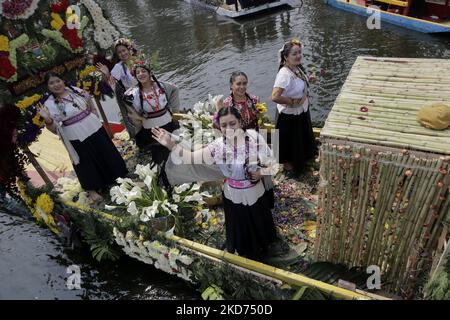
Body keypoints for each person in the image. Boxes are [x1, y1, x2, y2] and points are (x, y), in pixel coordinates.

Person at [152, 106, 278, 260]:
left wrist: (260, 173)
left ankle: (264, 245)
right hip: (233, 194)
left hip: (255, 192)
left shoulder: (254, 138)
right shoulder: (217, 146)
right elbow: (190, 157)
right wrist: (170, 144)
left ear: (240, 121)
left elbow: (273, 165)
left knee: (259, 221)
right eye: (224, 125)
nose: (229, 129)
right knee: (240, 225)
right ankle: (246, 249)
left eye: (232, 123)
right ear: (219, 127)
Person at [38, 72, 128, 202]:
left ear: (63, 80)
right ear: (48, 87)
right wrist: (47, 119)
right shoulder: (49, 104)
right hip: (74, 133)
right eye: (51, 83)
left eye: (57, 81)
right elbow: (53, 130)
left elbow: (89, 99)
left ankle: (118, 175)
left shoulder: (75, 90)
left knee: (106, 150)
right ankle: (92, 189)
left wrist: (94, 111)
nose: (56, 85)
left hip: (93, 125)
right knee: (84, 160)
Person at [122, 58, 180, 167]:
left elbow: (175, 89)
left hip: (167, 122)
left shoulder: (161, 86)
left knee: (175, 149)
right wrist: (139, 119)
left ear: (150, 73)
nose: (141, 74)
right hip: (151, 128)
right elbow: (128, 109)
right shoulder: (133, 94)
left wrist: (174, 109)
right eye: (137, 72)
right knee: (160, 156)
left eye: (143, 71)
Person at [270, 38, 316, 174]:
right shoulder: (284, 75)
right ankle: (288, 163)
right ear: (286, 57)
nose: (298, 56)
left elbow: (299, 83)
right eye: (294, 54)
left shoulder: (297, 67)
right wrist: (292, 102)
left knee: (301, 136)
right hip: (289, 115)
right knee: (289, 140)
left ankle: (303, 157)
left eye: (299, 52)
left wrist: (309, 80)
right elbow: (274, 97)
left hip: (301, 110)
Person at [96, 38, 139, 136]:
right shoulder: (119, 67)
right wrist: (106, 74)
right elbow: (111, 83)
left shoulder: (138, 60)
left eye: (124, 50)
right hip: (133, 97)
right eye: (119, 52)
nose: (123, 54)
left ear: (129, 50)